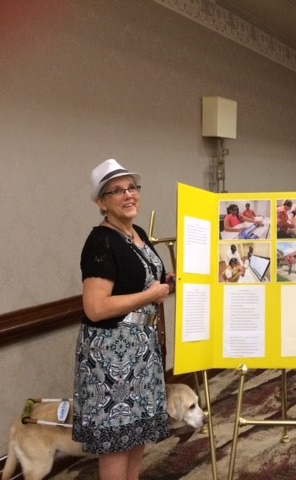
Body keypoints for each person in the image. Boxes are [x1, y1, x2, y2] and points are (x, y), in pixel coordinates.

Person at [73, 159, 175, 480]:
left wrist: (167, 281)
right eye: (117, 191)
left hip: (142, 350)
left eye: (132, 187)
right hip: (112, 352)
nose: (128, 195)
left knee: (136, 433)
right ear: (101, 203)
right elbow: (95, 307)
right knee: (117, 439)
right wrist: (150, 295)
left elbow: (142, 281)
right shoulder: (101, 241)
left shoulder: (136, 233)